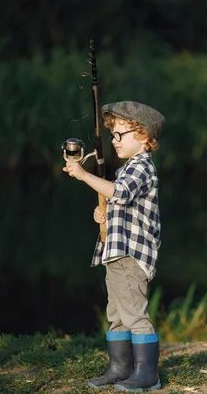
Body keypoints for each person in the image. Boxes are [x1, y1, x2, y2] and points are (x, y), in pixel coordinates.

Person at [63, 101, 165, 392]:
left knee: (134, 313)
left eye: (120, 135)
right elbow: (116, 200)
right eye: (112, 135)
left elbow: (119, 193)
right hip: (115, 252)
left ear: (144, 137)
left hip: (133, 255)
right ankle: (120, 369)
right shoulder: (124, 169)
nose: (114, 141)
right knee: (117, 315)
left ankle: (148, 375)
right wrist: (103, 213)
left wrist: (83, 175)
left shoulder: (142, 168)